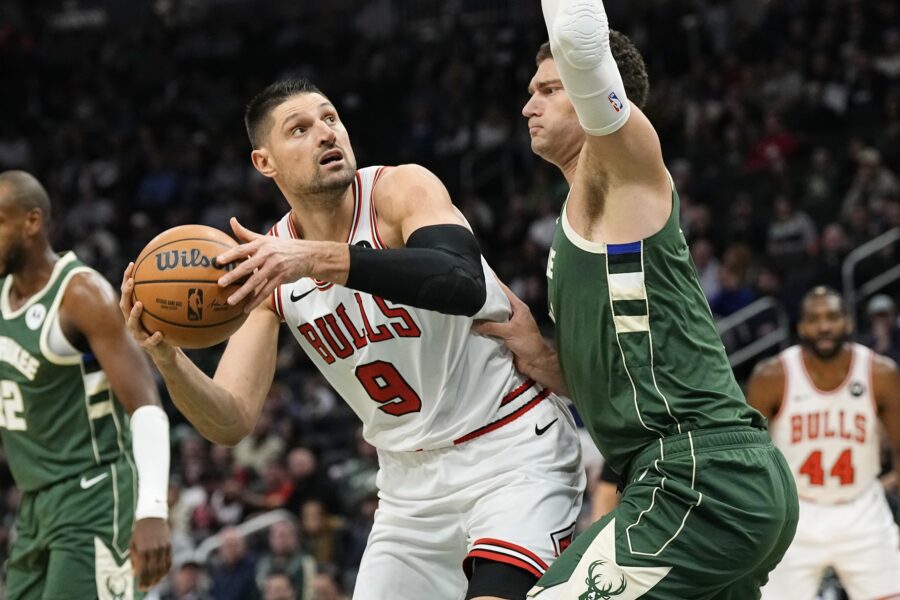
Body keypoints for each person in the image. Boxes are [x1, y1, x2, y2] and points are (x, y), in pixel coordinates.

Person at [119, 78, 584, 600]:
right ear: (264, 162)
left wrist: (314, 259)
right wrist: (166, 354)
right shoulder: (272, 261)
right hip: (407, 490)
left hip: (511, 451)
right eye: (300, 129)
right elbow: (230, 419)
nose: (325, 134)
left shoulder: (399, 190)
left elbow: (461, 279)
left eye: (330, 119)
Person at [475, 1, 799, 597]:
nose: (528, 105)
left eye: (549, 88)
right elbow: (619, 384)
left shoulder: (624, 172)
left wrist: (576, 45)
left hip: (699, 479)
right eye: (530, 91)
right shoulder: (574, 223)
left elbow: (581, 42)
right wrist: (540, 357)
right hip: (706, 476)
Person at [0, 170, 172, 598]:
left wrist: (152, 508)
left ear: (32, 222)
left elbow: (146, 403)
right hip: (35, 504)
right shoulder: (3, 296)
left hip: (94, 496)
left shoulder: (81, 294)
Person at [747, 286, 900, 599]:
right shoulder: (772, 376)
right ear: (801, 327)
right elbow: (748, 457)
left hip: (862, 509)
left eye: (832, 317)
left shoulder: (880, 373)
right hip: (796, 514)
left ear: (848, 322)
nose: (824, 326)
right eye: (814, 319)